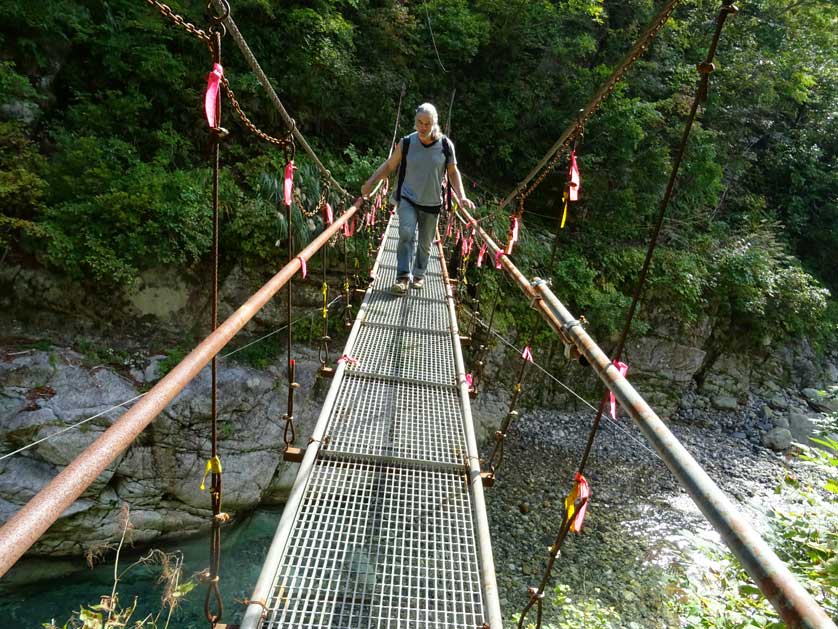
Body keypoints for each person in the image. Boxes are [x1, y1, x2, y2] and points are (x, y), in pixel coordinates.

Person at [361, 103, 476, 295]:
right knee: (406, 233)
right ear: (415, 121)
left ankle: (419, 274)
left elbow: (453, 172)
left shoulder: (446, 146)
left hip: (432, 202)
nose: (422, 127)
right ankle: (403, 277)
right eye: (419, 122)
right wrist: (371, 182)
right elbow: (389, 166)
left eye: (427, 123)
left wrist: (462, 197)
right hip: (408, 198)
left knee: (425, 243)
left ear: (435, 123)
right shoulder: (406, 142)